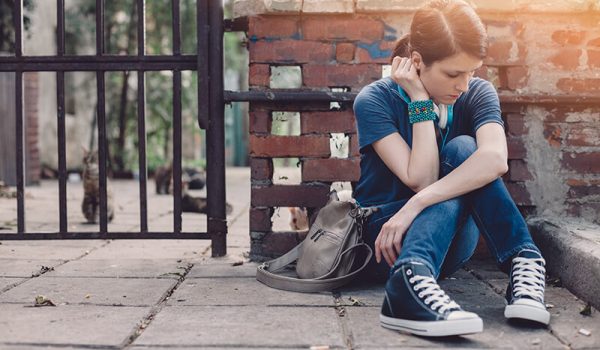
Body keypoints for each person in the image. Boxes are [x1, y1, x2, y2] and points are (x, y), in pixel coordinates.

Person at [352, 0, 549, 337]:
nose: (465, 84)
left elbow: (495, 160)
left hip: (450, 239)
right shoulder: (375, 100)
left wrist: (419, 203)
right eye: (453, 73)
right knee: (465, 153)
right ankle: (410, 277)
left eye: (473, 71)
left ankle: (522, 262)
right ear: (417, 62)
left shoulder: (475, 94)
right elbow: (422, 179)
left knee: (466, 150)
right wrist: (419, 102)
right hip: (386, 237)